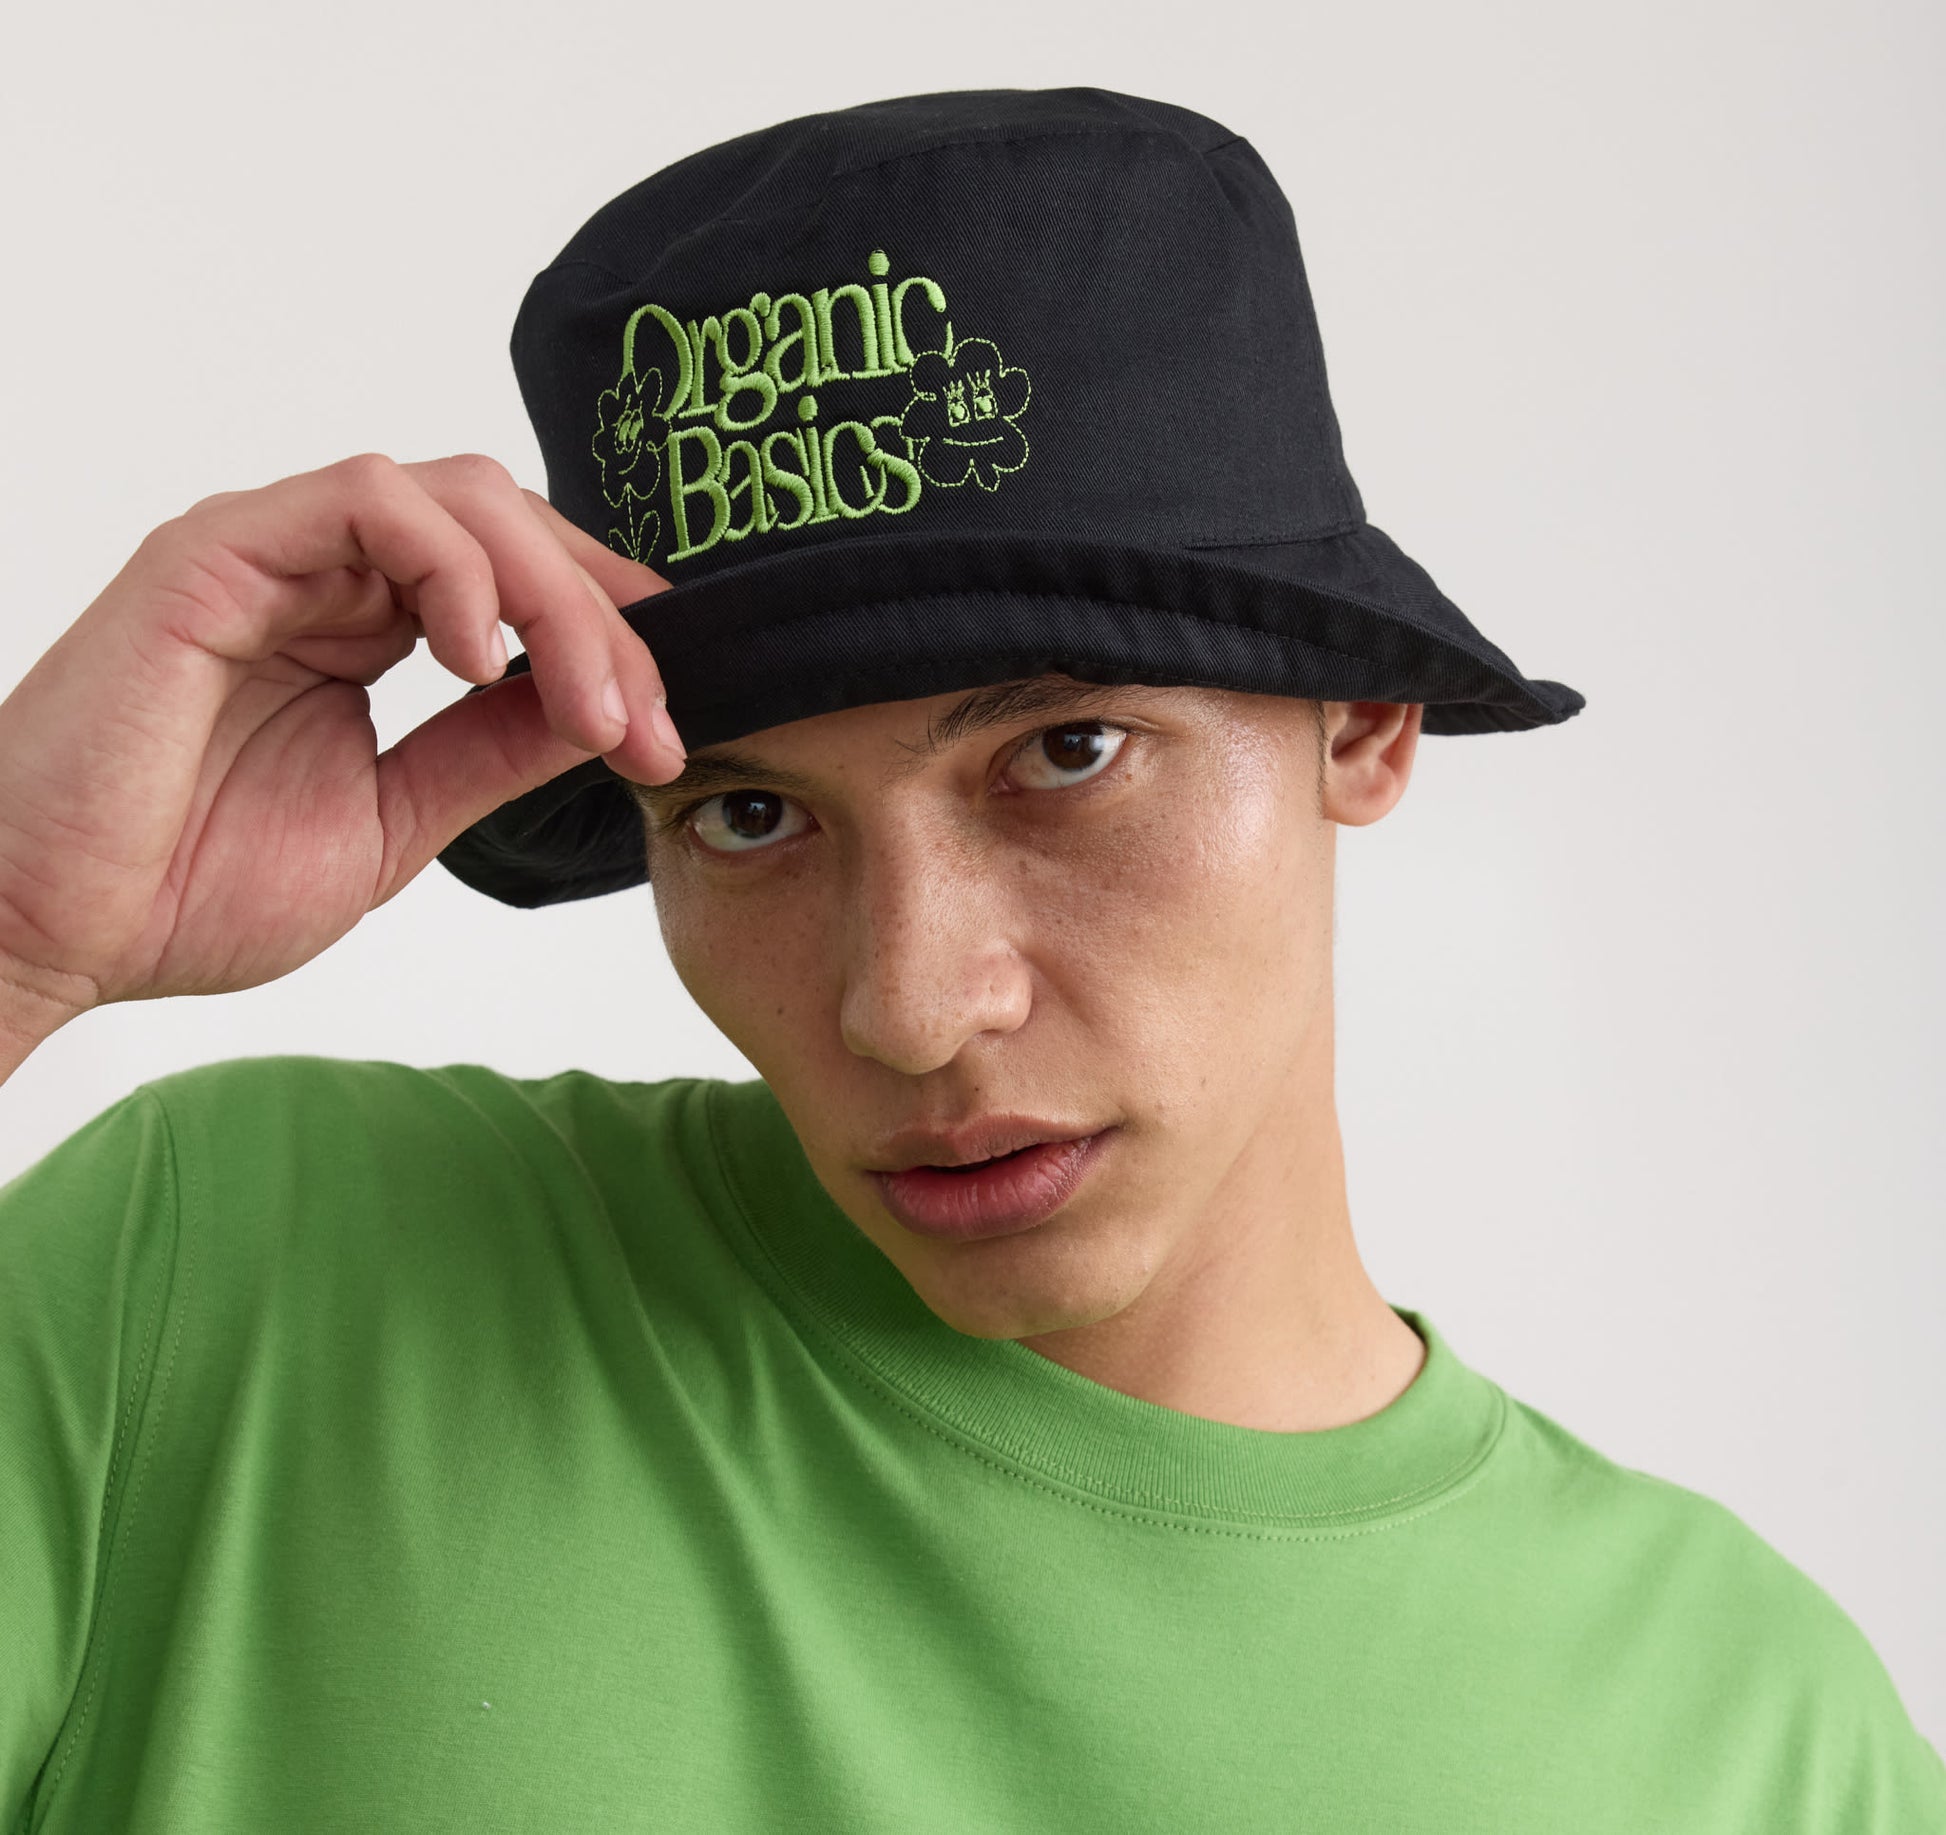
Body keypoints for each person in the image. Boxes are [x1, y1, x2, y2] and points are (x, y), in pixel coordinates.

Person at [0, 86, 1938, 1834]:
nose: (910, 1007)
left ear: (1359, 722)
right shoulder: (243, 1287)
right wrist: (14, 940)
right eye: (744, 814)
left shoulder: (1752, 1743)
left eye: (1065, 755)